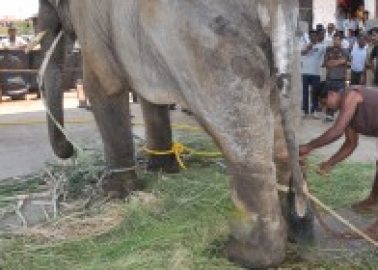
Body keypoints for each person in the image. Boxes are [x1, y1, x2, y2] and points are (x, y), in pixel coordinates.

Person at [299, 85, 378, 238]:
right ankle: (374, 201)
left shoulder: (352, 94)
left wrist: (309, 146)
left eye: (323, 103)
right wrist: (330, 163)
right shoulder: (347, 112)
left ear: (331, 94)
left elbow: (336, 131)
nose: (324, 108)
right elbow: (350, 144)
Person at [323, 32, 350, 121]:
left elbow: (345, 62)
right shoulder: (328, 50)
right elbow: (326, 64)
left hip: (340, 79)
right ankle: (329, 115)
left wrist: (333, 62)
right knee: (330, 97)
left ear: (341, 41)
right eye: (335, 39)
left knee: (341, 98)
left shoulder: (345, 51)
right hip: (330, 78)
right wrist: (339, 62)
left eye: (338, 40)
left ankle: (342, 117)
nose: (336, 41)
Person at [301, 30, 326, 118]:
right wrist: (308, 48)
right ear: (309, 37)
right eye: (311, 36)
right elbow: (302, 53)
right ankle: (305, 110)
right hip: (305, 72)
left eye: (314, 36)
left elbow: (326, 55)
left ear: (317, 36)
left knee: (315, 92)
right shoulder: (305, 45)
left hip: (316, 73)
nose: (313, 37)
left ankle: (314, 110)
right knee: (305, 92)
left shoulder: (322, 46)